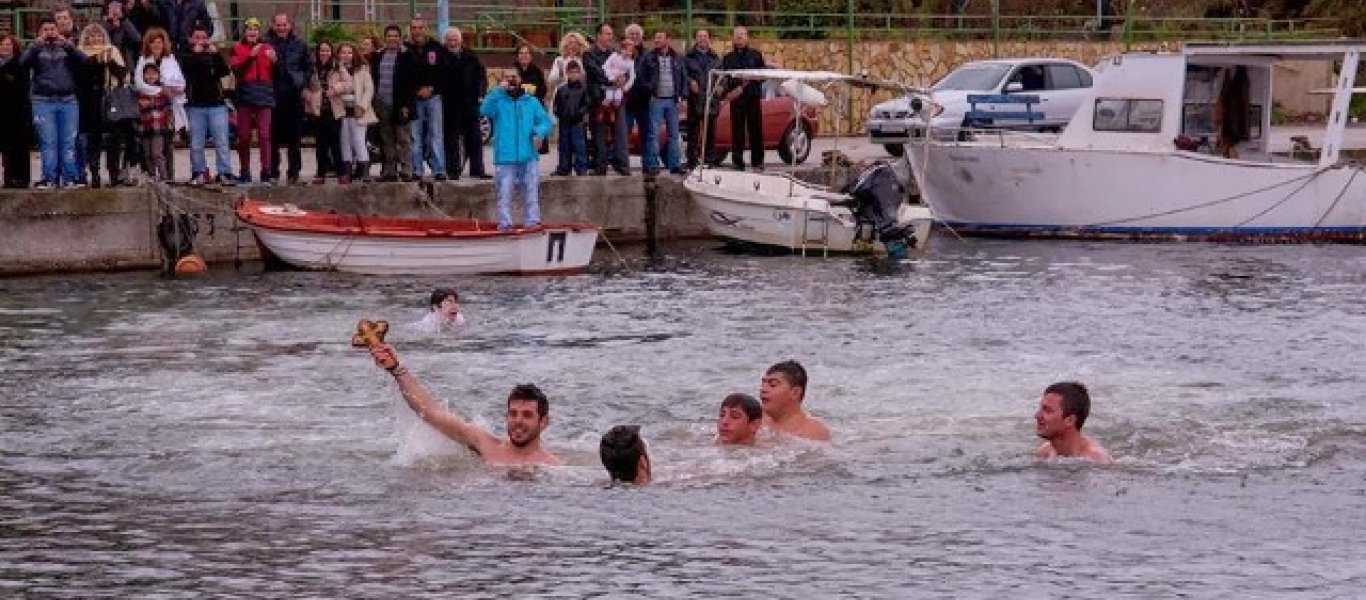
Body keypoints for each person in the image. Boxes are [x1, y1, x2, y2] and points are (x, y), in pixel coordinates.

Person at [369, 343, 561, 466]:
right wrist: (397, 369)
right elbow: (431, 412)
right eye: (513, 414)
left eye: (527, 415)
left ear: (543, 422)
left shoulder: (552, 467)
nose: (518, 421)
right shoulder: (487, 445)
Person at [480, 68, 552, 231]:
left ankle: (532, 223)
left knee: (532, 193)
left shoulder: (531, 101)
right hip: (505, 157)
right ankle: (505, 224)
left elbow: (546, 122)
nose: (511, 80)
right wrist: (498, 91)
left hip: (528, 155)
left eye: (514, 77)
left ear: (520, 79)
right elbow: (484, 110)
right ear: (502, 80)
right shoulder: (497, 99)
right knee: (504, 194)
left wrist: (539, 133)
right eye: (507, 77)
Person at [21, 18, 87, 190]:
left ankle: (70, 177)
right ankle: (49, 178)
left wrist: (69, 46)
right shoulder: (35, 49)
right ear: (40, 32)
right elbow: (22, 64)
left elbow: (84, 62)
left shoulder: (67, 48)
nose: (49, 32)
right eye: (46, 29)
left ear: (58, 31)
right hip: (43, 101)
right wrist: (34, 47)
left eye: (52, 29)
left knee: (68, 141)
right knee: (48, 142)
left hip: (68, 101)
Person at [179, 23, 234, 185]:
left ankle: (224, 172)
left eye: (204, 38)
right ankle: (198, 172)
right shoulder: (185, 55)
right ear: (191, 39)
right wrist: (196, 56)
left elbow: (224, 72)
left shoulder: (213, 55)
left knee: (222, 141)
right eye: (197, 38)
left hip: (216, 104)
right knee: (196, 143)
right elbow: (186, 72)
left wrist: (216, 55)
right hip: (195, 105)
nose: (201, 41)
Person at [76, 23, 128, 188]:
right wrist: (95, 62)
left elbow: (123, 76)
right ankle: (95, 173)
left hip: (110, 99)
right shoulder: (80, 53)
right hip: (89, 101)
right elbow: (79, 76)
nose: (96, 38)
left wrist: (110, 63)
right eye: (92, 36)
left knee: (113, 139)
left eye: (98, 35)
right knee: (93, 140)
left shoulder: (112, 51)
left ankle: (114, 173)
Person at [133, 27, 184, 180]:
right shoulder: (143, 60)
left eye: (159, 42)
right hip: (149, 112)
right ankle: (153, 177)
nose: (156, 45)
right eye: (153, 42)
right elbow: (139, 84)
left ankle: (169, 177)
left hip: (167, 110)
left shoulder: (171, 59)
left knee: (166, 145)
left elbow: (181, 84)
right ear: (148, 44)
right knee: (150, 150)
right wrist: (161, 90)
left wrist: (170, 89)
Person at [266, 13, 311, 185]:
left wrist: (302, 82)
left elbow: (308, 67)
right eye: (278, 25)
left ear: (289, 25)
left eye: (284, 25)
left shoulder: (300, 44)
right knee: (273, 138)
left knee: (295, 138)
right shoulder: (266, 44)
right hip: (273, 95)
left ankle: (294, 172)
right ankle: (273, 172)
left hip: (293, 96)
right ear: (273, 25)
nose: (281, 28)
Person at [437, 27, 487, 180]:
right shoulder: (441, 57)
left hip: (470, 103)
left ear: (460, 40)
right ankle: (453, 170)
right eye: (449, 40)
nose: (452, 43)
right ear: (445, 42)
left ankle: (477, 169)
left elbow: (481, 76)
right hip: (450, 105)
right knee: (450, 140)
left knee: (475, 138)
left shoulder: (471, 56)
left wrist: (480, 93)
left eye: (455, 40)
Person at [230, 18, 275, 185]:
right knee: (243, 136)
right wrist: (250, 57)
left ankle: (266, 171)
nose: (252, 32)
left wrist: (277, 62)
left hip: (265, 94)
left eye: (255, 29)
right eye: (249, 29)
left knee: (264, 135)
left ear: (259, 32)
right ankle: (245, 171)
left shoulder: (268, 48)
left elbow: (277, 75)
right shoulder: (236, 48)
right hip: (245, 94)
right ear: (244, 31)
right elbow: (237, 72)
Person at [370, 25, 415, 182]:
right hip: (382, 104)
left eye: (395, 36)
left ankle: (407, 170)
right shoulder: (377, 56)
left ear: (400, 38)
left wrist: (407, 105)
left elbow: (411, 84)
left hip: (401, 104)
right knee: (386, 139)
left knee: (404, 138)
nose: (392, 39)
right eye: (389, 36)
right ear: (385, 38)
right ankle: (389, 171)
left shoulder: (407, 56)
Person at [638, 30, 687, 176]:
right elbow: (641, 77)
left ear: (668, 39)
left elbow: (683, 78)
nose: (656, 40)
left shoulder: (678, 58)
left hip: (673, 101)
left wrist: (683, 98)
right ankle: (653, 164)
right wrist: (649, 92)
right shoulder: (649, 57)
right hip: (656, 100)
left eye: (659, 38)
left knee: (674, 134)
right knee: (653, 134)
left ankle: (675, 165)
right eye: (655, 37)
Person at [327, 42, 375, 184]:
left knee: (359, 140)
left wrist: (363, 105)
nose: (346, 56)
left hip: (358, 110)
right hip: (342, 111)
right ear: (338, 55)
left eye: (349, 53)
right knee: (345, 142)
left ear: (354, 54)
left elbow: (369, 90)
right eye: (343, 53)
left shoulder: (362, 70)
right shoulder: (334, 72)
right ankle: (347, 171)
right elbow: (332, 90)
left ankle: (364, 170)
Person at [406, 16, 446, 181]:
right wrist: (416, 90)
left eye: (419, 28)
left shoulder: (436, 48)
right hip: (414, 98)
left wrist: (431, 88)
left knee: (436, 134)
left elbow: (443, 72)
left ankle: (439, 170)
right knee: (415, 136)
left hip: (434, 97)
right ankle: (417, 170)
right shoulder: (406, 49)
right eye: (414, 28)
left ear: (425, 28)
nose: (417, 31)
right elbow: (404, 75)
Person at [720, 26, 765, 172]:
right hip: (737, 99)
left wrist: (752, 78)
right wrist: (737, 84)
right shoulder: (728, 58)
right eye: (737, 35)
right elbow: (726, 79)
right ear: (733, 38)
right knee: (737, 132)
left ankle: (757, 162)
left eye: (742, 35)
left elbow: (763, 76)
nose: (739, 38)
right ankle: (737, 163)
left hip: (752, 98)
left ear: (747, 37)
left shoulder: (756, 55)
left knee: (756, 131)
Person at [1034, 381, 1113, 464]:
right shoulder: (1045, 452)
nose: (1037, 415)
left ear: (1070, 420)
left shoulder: (1097, 461)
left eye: (1048, 410)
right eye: (1041, 409)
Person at [582, 23, 623, 176]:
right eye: (606, 34)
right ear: (599, 35)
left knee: (616, 135)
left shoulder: (614, 53)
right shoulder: (589, 54)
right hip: (597, 100)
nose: (609, 37)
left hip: (615, 100)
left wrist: (621, 78)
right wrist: (612, 79)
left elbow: (622, 68)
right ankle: (600, 168)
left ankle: (616, 164)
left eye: (611, 34)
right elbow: (595, 72)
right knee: (598, 135)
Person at [759, 360, 831, 441]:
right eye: (763, 384)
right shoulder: (754, 419)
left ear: (795, 393)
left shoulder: (813, 430)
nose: (763, 389)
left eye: (773, 385)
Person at [684, 28, 721, 169]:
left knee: (710, 133)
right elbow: (682, 74)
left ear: (708, 39)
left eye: (705, 36)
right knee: (692, 132)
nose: (702, 39)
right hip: (694, 99)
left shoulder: (716, 58)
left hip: (711, 100)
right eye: (699, 36)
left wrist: (721, 87)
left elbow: (722, 75)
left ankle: (709, 161)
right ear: (695, 39)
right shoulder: (688, 57)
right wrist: (689, 82)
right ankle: (692, 162)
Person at [304, 41, 340, 184]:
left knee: (336, 144)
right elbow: (304, 86)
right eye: (322, 50)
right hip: (317, 110)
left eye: (327, 50)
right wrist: (309, 96)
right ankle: (321, 172)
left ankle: (341, 172)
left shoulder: (337, 67)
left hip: (334, 110)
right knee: (320, 145)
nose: (324, 53)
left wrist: (336, 88)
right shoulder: (311, 69)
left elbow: (348, 83)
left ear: (331, 52)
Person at [0, 33, 33, 189]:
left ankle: (22, 179)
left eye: (8, 44)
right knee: (6, 148)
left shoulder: (20, 65)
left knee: (19, 147)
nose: (5, 47)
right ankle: (8, 178)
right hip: (3, 113)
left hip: (18, 111)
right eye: (2, 44)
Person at [550, 61, 593, 177]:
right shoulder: (561, 90)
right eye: (571, 72)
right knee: (564, 146)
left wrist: (580, 114)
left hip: (578, 123)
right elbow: (555, 105)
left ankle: (582, 169)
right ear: (567, 73)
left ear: (579, 73)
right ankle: (564, 168)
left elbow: (587, 104)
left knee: (580, 147)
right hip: (564, 122)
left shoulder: (584, 89)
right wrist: (560, 114)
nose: (573, 75)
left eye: (576, 72)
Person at [136, 62, 171, 180]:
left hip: (158, 127)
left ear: (158, 75)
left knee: (157, 153)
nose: (151, 76)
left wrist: (149, 103)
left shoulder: (162, 91)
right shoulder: (140, 91)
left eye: (154, 73)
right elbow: (137, 108)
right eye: (148, 74)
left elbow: (167, 108)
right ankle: (152, 176)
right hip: (145, 126)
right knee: (147, 154)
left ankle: (164, 177)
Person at [513, 44, 549, 155]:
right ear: (517, 56)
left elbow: (542, 90)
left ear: (531, 56)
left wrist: (523, 88)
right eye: (521, 53)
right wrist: (529, 88)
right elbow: (511, 89)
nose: (524, 55)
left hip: (533, 108)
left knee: (534, 143)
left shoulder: (537, 71)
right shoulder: (512, 70)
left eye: (526, 53)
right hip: (516, 108)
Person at [101, 2, 142, 73]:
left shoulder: (126, 24)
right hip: (108, 61)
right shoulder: (103, 24)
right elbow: (101, 35)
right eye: (112, 7)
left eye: (117, 7)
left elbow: (137, 38)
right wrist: (110, 22)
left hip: (126, 62)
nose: (115, 10)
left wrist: (123, 20)